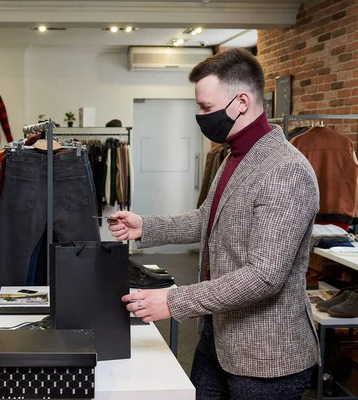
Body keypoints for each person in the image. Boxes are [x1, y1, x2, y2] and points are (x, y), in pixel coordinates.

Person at [110, 49, 319, 399]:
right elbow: (207, 218)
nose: (200, 116)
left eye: (206, 108)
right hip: (218, 338)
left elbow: (264, 275)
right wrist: (145, 226)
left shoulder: (286, 170)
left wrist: (174, 301)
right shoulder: (233, 156)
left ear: (241, 101)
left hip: (265, 360)